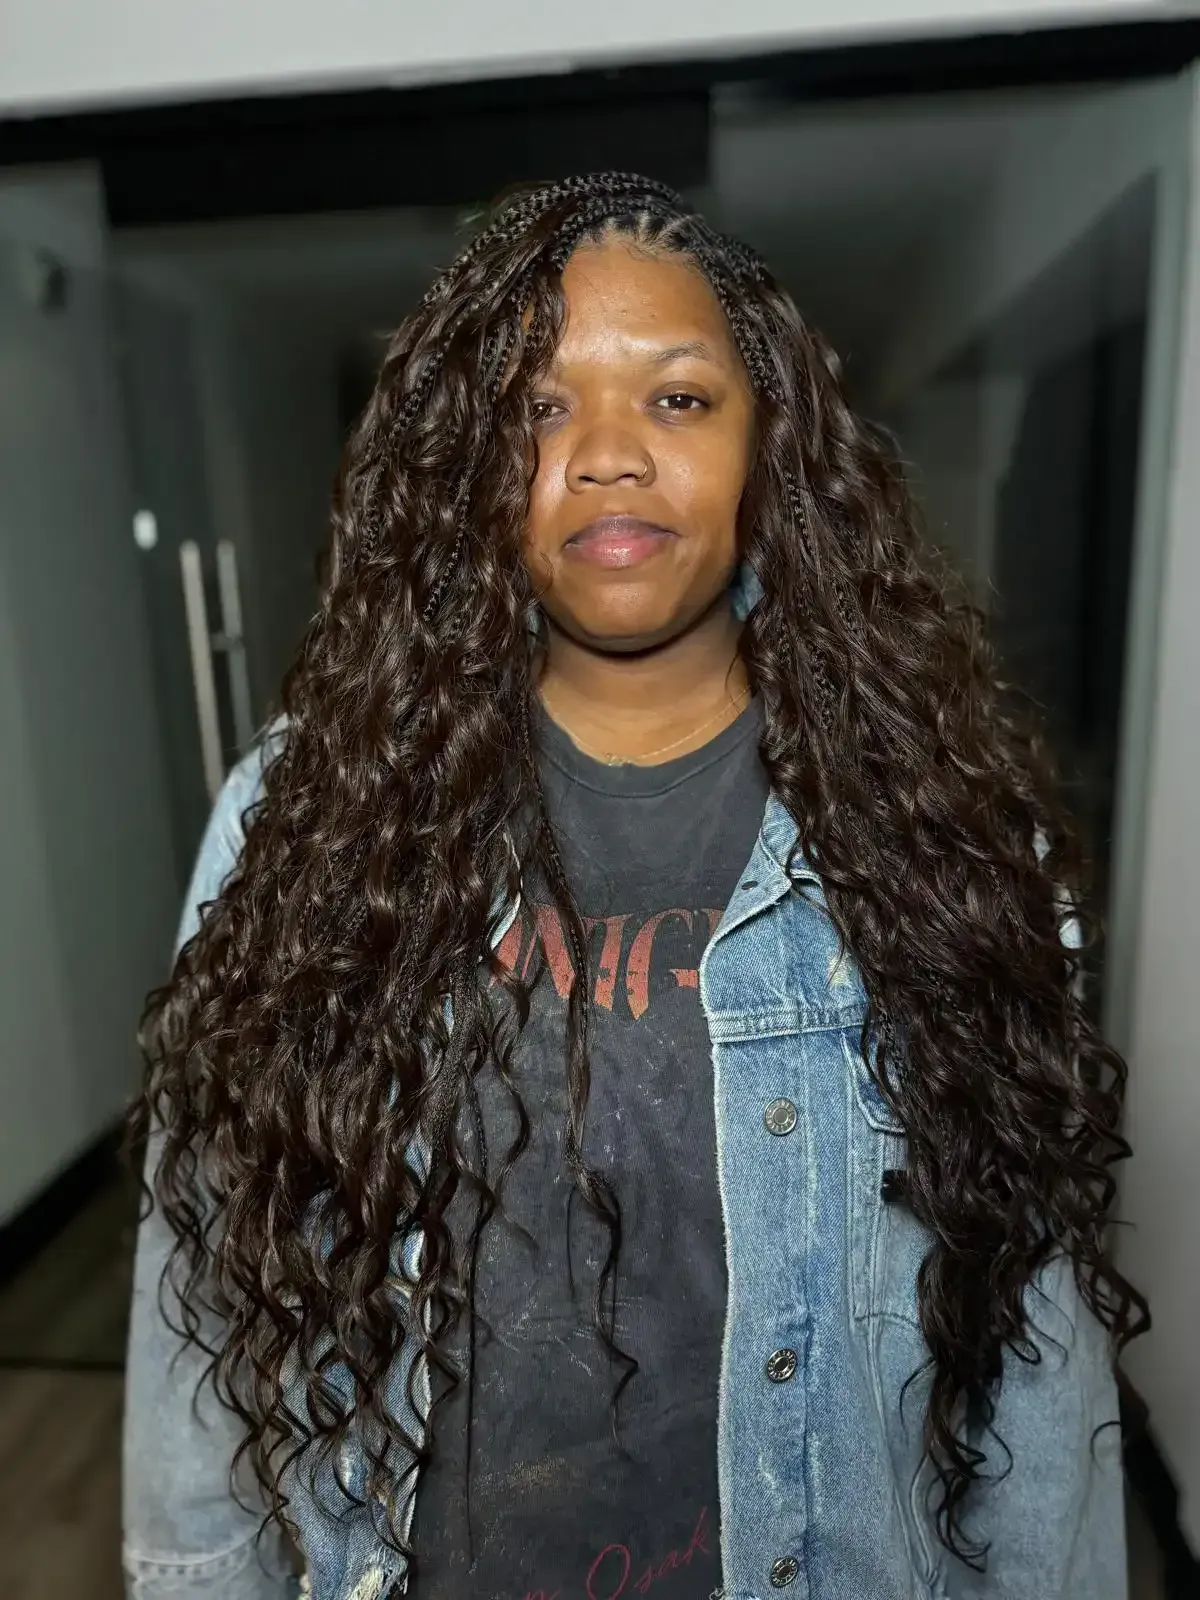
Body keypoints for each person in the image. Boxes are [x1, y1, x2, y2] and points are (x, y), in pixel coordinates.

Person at [125, 173, 1146, 1600]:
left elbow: (1033, 1346)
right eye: (538, 409)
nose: (607, 454)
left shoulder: (946, 836)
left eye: (677, 398)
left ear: (768, 444)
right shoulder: (301, 817)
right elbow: (206, 1281)